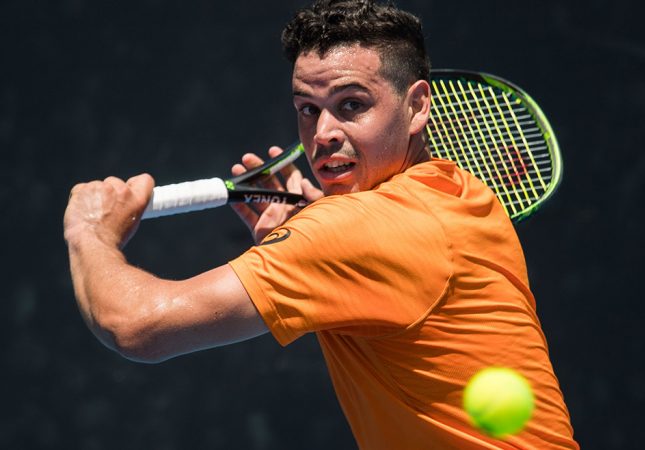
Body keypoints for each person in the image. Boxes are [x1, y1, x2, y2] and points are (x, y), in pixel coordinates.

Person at [63, 0, 578, 448]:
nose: (323, 133)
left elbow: (136, 326)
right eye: (308, 110)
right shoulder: (462, 194)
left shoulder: (355, 229)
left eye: (351, 105)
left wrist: (91, 233)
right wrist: (306, 250)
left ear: (418, 105)